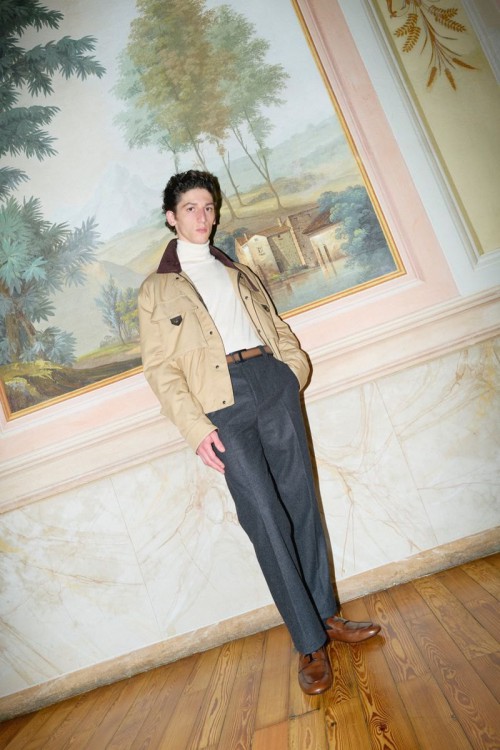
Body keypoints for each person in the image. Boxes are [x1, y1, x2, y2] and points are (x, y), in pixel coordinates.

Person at [138, 170, 380, 695]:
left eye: (209, 207)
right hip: (220, 404)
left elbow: (276, 327)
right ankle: (308, 642)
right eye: (191, 208)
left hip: (271, 380)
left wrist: (292, 372)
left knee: (301, 502)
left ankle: (327, 616)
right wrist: (195, 428)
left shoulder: (238, 271)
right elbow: (160, 369)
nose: (203, 216)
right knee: (266, 519)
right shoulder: (156, 290)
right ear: (171, 217)